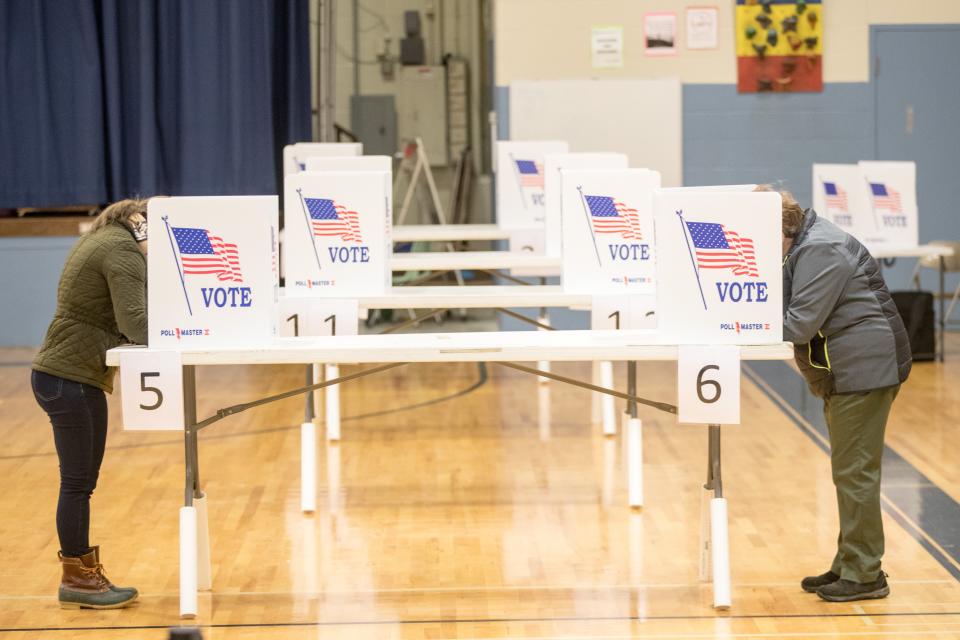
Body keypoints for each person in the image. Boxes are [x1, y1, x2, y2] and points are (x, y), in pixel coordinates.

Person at [769, 186, 911, 602]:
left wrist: (733, 324)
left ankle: (866, 573)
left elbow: (797, 325)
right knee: (848, 470)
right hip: (850, 367)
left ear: (779, 226)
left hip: (867, 367)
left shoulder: (821, 250)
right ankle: (850, 562)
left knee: (855, 473)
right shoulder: (805, 244)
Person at [31, 199, 149, 609]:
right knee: (78, 484)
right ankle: (78, 580)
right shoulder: (122, 250)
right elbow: (137, 323)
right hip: (71, 380)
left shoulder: (106, 237)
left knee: (80, 483)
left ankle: (81, 574)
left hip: (64, 375)